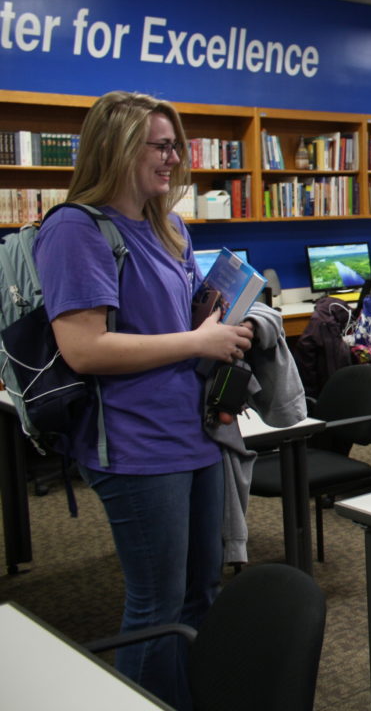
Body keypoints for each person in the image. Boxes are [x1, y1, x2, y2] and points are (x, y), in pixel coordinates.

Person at [33, 91, 254, 709]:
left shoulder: (168, 224)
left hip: (194, 431)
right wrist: (197, 338)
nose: (173, 157)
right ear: (118, 147)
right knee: (156, 605)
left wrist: (219, 317)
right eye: (160, 145)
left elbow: (168, 321)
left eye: (174, 145)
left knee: (199, 592)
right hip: (133, 443)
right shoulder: (76, 229)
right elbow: (85, 349)